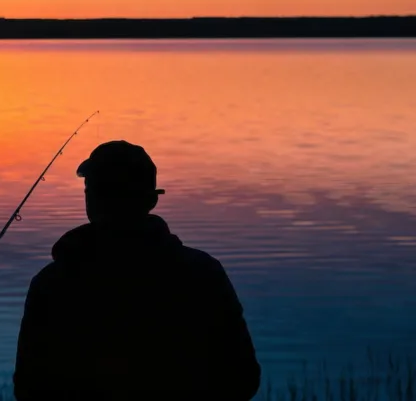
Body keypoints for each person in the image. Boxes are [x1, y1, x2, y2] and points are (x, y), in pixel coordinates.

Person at [13, 140, 261, 400]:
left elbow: (29, 387)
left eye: (92, 189)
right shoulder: (204, 273)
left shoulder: (52, 283)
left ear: (91, 200)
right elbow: (243, 377)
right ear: (152, 200)